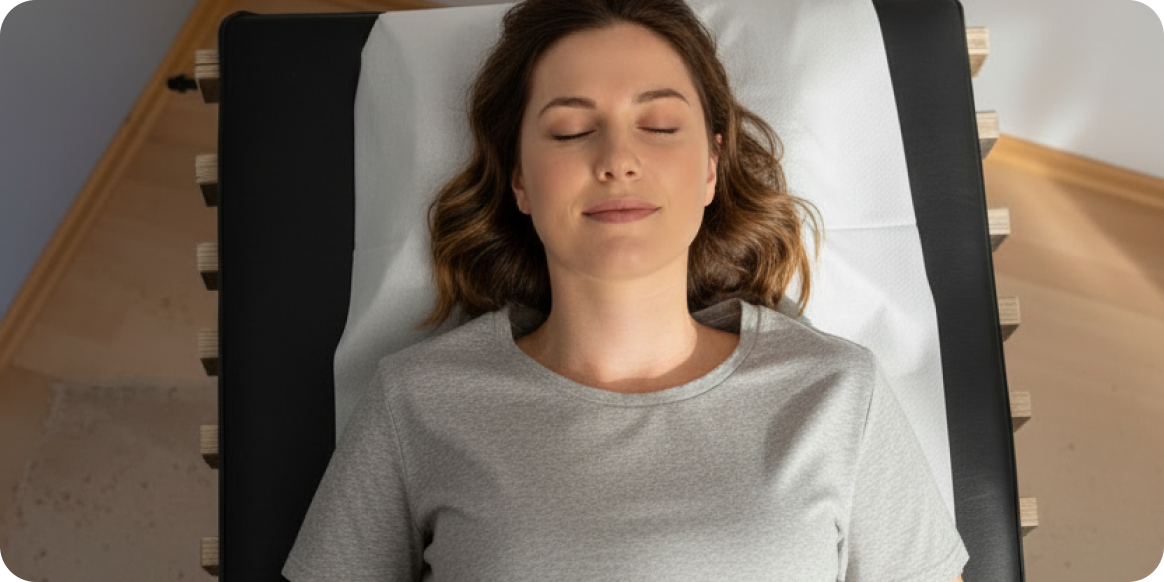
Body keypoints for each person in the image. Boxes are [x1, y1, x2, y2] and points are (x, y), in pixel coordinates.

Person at [282, 1, 968, 580]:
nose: (617, 160)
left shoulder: (836, 394)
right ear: (519, 178)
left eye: (660, 126)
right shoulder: (418, 400)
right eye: (571, 130)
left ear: (710, 167)